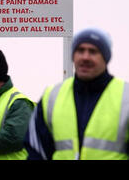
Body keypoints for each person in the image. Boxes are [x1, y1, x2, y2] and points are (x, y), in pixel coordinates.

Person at [25, 27, 129, 160]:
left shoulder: (126, 97)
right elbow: (36, 150)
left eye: (93, 51)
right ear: (73, 56)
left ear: (106, 58)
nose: (85, 57)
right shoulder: (52, 96)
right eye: (80, 50)